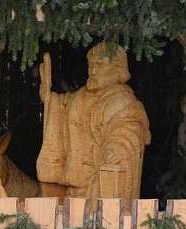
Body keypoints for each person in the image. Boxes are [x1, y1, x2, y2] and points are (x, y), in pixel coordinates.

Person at [37, 43, 150, 204]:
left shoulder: (122, 101)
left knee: (98, 216)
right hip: (73, 180)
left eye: (100, 65)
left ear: (118, 68)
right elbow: (63, 105)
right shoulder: (80, 96)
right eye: (91, 65)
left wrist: (116, 149)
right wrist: (50, 99)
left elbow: (127, 132)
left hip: (97, 181)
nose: (93, 71)